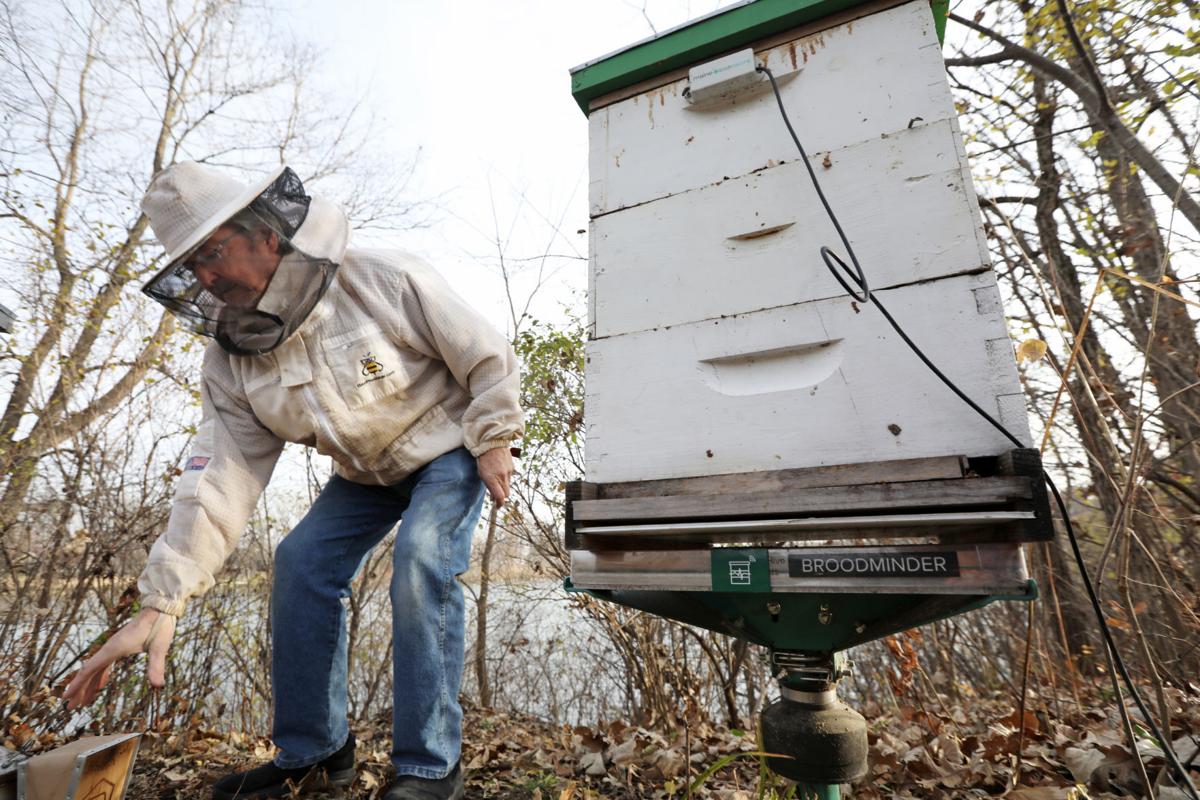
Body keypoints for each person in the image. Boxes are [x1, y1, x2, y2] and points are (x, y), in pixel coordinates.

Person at [62, 162, 524, 800]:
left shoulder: (381, 279)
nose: (206, 276)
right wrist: (160, 602)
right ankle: (315, 754)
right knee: (299, 562)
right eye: (191, 266)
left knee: (422, 557)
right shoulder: (232, 357)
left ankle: (430, 768)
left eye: (213, 253)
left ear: (267, 236)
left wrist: (495, 437)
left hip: (448, 448)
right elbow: (220, 476)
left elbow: (485, 354)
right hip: (365, 474)